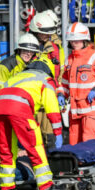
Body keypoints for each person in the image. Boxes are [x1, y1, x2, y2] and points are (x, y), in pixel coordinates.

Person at [0, 59, 63, 190]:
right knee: (35, 147)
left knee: (6, 148)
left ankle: (7, 189)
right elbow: (52, 108)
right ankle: (46, 188)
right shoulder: (45, 79)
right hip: (19, 107)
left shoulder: (16, 77)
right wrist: (58, 132)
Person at [59, 23, 95, 145]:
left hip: (91, 109)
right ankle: (77, 164)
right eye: (72, 41)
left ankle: (89, 164)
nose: (75, 43)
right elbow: (64, 83)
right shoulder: (69, 60)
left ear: (85, 40)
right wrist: (61, 94)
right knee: (74, 142)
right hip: (75, 110)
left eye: (78, 40)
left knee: (88, 141)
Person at [29, 10, 66, 149]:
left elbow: (57, 75)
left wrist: (59, 92)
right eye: (44, 32)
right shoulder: (26, 48)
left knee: (49, 137)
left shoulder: (54, 49)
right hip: (32, 98)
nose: (48, 35)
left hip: (48, 96)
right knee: (33, 138)